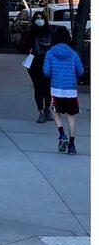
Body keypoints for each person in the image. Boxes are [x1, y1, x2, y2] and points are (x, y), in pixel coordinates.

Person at [43, 25, 84, 155]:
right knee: (71, 115)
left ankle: (62, 134)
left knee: (56, 111)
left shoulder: (50, 53)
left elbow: (46, 72)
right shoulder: (73, 54)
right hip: (71, 89)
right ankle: (72, 145)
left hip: (56, 88)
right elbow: (81, 71)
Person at [25, 11, 53, 123]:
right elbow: (23, 45)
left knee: (47, 88)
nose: (39, 20)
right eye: (37, 18)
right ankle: (40, 111)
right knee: (38, 87)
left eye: (41, 17)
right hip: (35, 64)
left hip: (47, 63)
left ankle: (47, 108)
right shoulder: (31, 32)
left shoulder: (49, 32)